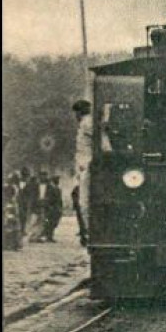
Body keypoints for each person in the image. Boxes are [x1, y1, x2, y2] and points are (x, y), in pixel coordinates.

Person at [72, 99, 93, 247]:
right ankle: (88, 231)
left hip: (88, 166)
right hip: (84, 166)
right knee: (82, 202)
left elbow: (102, 141)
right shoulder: (84, 124)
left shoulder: (87, 123)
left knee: (84, 203)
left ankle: (89, 232)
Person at [41, 176, 64, 242]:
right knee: (51, 222)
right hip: (52, 208)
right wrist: (49, 206)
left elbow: (60, 200)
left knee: (54, 222)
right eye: (57, 180)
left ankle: (49, 236)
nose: (58, 181)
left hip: (57, 208)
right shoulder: (51, 189)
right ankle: (49, 236)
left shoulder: (58, 189)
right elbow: (49, 198)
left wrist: (61, 207)